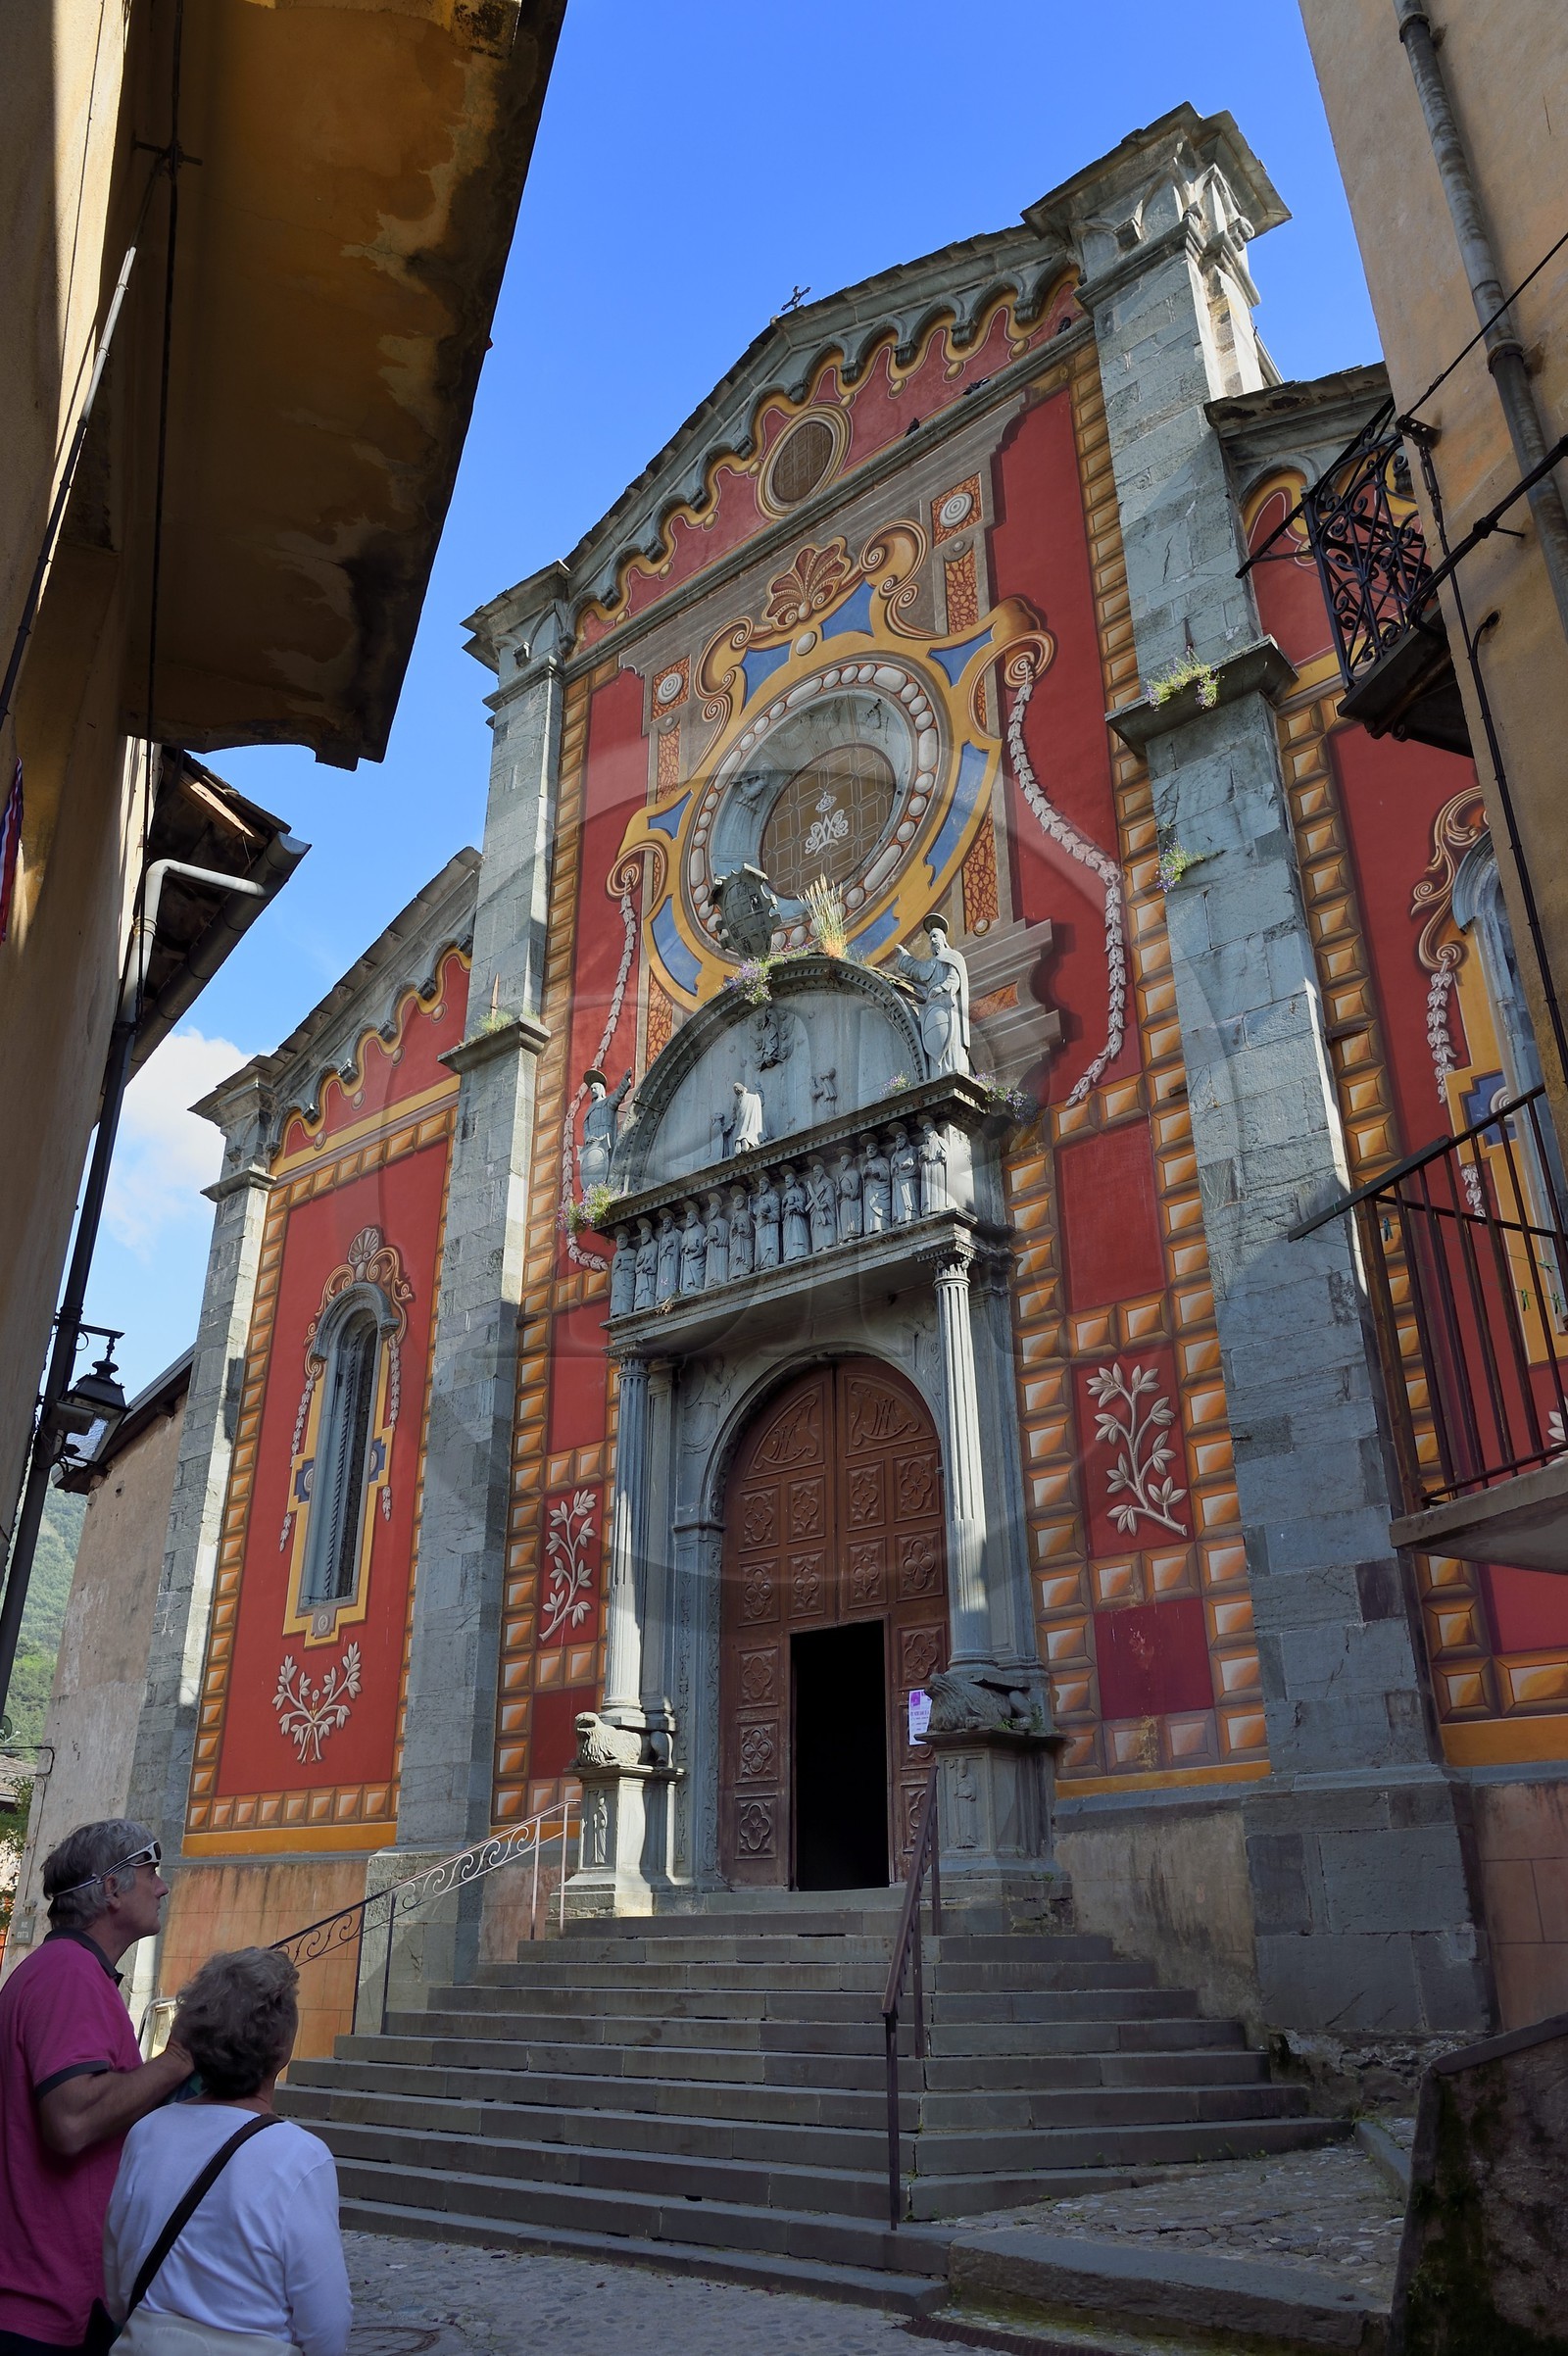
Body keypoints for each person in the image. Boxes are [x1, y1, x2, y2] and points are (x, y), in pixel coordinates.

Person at [0, 1819, 194, 2355]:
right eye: (150, 1872)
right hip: (42, 2308)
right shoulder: (68, 1973)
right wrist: (178, 2058)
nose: (161, 1886)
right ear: (111, 1888)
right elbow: (72, 2120)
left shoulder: (66, 1969)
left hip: (55, 2299)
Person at [103, 1948, 351, 2356]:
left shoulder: (146, 2133)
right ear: (282, 2045)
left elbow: (117, 2290)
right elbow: (326, 2325)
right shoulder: (300, 2157)